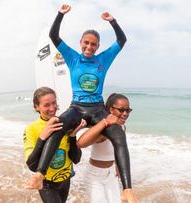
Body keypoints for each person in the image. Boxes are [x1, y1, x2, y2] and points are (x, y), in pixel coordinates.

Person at [29, 4, 136, 202]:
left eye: (93, 44)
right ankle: (40, 174)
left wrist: (112, 21)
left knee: (119, 134)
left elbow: (122, 40)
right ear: (81, 43)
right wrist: (60, 14)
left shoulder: (104, 58)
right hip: (77, 107)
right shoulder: (72, 57)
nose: (89, 47)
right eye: (86, 43)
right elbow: (54, 36)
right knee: (56, 127)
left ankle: (127, 189)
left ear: (98, 46)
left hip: (97, 109)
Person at [24, 87, 84, 203]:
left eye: (54, 103)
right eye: (46, 105)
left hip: (65, 179)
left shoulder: (65, 123)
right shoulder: (31, 129)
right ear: (37, 107)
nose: (52, 108)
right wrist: (42, 138)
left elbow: (76, 159)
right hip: (46, 183)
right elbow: (31, 165)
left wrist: (73, 136)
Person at [74, 93, 137, 202]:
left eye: (128, 110)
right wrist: (105, 122)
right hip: (95, 177)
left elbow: (118, 148)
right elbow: (80, 143)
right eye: (121, 110)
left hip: (110, 175)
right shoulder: (103, 129)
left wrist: (117, 165)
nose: (125, 113)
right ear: (110, 109)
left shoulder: (122, 127)